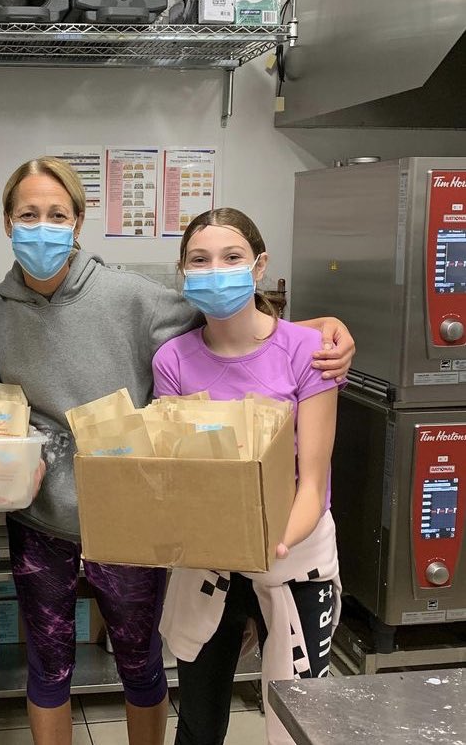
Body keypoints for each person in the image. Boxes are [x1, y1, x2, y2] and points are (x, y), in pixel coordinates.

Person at [0, 157, 354, 745]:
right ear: (8, 223)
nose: (41, 226)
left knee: (141, 660)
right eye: (28, 214)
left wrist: (318, 329)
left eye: (56, 213)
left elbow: (233, 321)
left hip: (130, 520)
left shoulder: (135, 299)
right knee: (48, 665)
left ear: (78, 220)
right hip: (41, 518)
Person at [153, 207, 342, 745]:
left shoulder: (309, 352)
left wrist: (276, 541)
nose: (216, 270)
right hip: (209, 556)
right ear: (183, 272)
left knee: (298, 715)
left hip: (293, 551)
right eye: (200, 260)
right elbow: (182, 472)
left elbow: (313, 480)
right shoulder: (173, 360)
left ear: (259, 267)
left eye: (231, 257)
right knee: (199, 717)